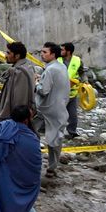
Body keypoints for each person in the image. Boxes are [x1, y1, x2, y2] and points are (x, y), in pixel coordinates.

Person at [34, 42, 70, 178]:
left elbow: (44, 90)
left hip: (46, 109)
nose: (42, 55)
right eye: (41, 52)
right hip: (59, 108)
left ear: (53, 54)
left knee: (31, 132)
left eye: (45, 52)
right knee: (55, 139)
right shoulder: (61, 67)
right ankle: (52, 167)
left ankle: (33, 163)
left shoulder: (50, 70)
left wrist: (37, 83)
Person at [0, 41, 36, 121]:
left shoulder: (20, 72)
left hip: (15, 118)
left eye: (8, 53)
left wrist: (15, 119)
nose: (5, 56)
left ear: (17, 56)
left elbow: (19, 99)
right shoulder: (23, 68)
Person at [59, 42, 83, 139]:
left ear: (68, 52)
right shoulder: (57, 60)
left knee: (72, 115)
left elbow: (82, 72)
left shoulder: (77, 60)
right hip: (59, 93)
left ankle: (72, 132)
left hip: (72, 93)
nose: (60, 51)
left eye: (62, 50)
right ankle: (54, 132)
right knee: (57, 113)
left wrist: (84, 81)